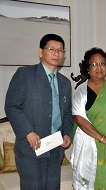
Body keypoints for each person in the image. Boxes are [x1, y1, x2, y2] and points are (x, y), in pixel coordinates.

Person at [4, 33, 73, 189]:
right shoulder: (25, 75)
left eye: (61, 50)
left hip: (55, 149)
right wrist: (28, 132)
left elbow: (67, 113)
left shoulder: (64, 83)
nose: (57, 53)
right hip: (31, 150)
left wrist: (67, 133)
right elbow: (11, 106)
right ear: (40, 52)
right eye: (52, 49)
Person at [70, 47, 106, 190]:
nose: (99, 68)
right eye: (94, 64)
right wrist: (102, 138)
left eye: (102, 63)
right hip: (89, 143)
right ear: (87, 69)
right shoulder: (81, 91)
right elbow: (79, 119)